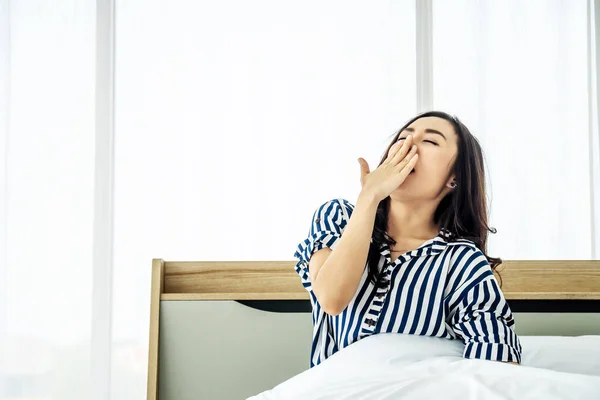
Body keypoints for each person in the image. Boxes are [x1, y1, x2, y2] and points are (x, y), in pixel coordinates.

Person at [293, 111, 522, 369]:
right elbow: (331, 299)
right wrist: (369, 197)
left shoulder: (461, 261)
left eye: (430, 142)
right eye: (402, 138)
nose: (408, 145)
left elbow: (498, 362)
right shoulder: (339, 217)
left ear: (454, 178)